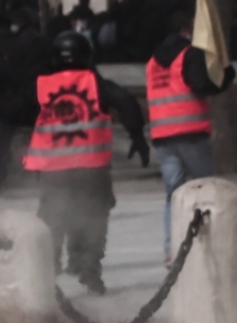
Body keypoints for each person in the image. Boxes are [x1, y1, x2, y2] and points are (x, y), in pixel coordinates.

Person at [25, 31, 148, 294]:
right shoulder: (96, 83)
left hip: (52, 169)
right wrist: (137, 135)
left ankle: (48, 270)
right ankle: (90, 270)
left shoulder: (41, 85)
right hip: (91, 167)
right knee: (95, 216)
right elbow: (126, 102)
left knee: (52, 219)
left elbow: (17, 110)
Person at [147, 12, 234, 260]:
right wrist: (225, 75)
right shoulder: (190, 54)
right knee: (205, 188)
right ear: (187, 29)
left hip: (162, 136)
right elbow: (201, 84)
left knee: (173, 194)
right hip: (191, 132)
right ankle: (210, 248)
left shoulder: (153, 61)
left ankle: (171, 248)